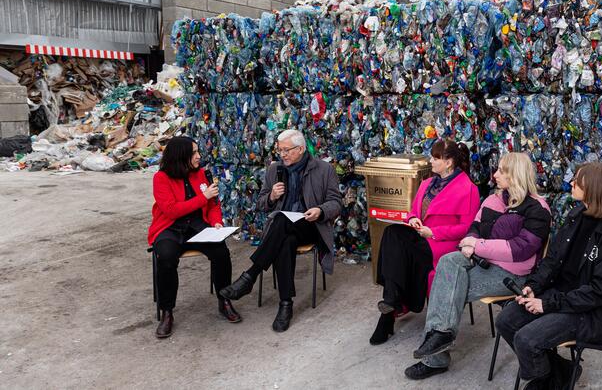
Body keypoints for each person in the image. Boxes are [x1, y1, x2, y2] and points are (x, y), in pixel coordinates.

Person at [404, 152, 552, 380]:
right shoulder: (493, 200)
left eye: (502, 171)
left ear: (516, 175)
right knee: (448, 262)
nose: (495, 175)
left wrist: (478, 245)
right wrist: (470, 243)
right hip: (479, 259)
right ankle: (440, 336)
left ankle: (436, 354)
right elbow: (475, 227)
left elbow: (521, 249)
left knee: (447, 284)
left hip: (512, 273)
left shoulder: (538, 209)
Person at [495, 162, 602, 390]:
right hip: (564, 295)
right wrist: (534, 287)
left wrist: (548, 304)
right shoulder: (578, 214)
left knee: (526, 339)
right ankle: (556, 372)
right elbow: (552, 261)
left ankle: (549, 380)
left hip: (593, 312)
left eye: (577, 180)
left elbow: (599, 292)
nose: (571, 182)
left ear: (594, 188)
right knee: (506, 321)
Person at [219, 129, 342, 332]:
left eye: (287, 150)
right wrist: (272, 197)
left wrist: (320, 210)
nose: (282, 155)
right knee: (285, 239)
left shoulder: (323, 169)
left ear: (301, 149)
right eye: (280, 150)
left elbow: (336, 203)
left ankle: (250, 275)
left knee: (280, 222)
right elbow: (260, 204)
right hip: (283, 231)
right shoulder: (275, 170)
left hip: (311, 225)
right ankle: (286, 303)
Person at [370, 139, 480, 345]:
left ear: (448, 162)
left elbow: (468, 227)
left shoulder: (468, 189)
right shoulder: (427, 183)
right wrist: (413, 218)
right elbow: (413, 211)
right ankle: (391, 304)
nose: (430, 161)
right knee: (392, 232)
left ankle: (388, 313)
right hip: (420, 235)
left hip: (441, 243)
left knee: (402, 249)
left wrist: (434, 232)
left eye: (435, 158)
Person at [147, 136, 241, 339]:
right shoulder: (161, 178)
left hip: (198, 226)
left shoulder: (201, 174)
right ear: (181, 157)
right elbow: (171, 211)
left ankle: (224, 300)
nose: (199, 156)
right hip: (170, 228)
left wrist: (216, 222)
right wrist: (203, 197)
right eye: (194, 153)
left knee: (221, 252)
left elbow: (214, 204)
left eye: (198, 152)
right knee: (166, 257)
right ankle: (167, 312)